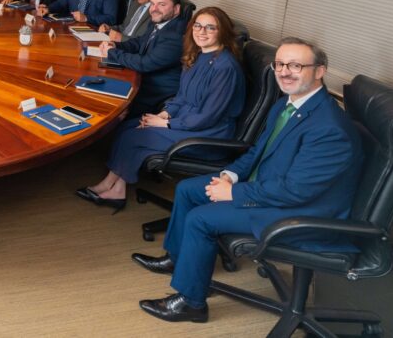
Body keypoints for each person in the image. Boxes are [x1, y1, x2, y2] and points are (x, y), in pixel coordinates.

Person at [132, 39, 362, 324]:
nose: (284, 72)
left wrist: (234, 193)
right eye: (280, 64)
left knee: (201, 219)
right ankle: (180, 261)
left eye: (295, 65)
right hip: (272, 190)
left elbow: (296, 191)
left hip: (301, 214)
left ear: (320, 71)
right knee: (188, 189)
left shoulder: (329, 128)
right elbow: (257, 152)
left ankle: (192, 303)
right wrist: (230, 175)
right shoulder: (286, 104)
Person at [77, 7, 245, 211]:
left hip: (208, 133)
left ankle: (112, 187)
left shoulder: (225, 67)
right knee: (129, 126)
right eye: (198, 26)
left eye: (210, 27)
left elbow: (208, 116)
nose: (202, 32)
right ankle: (115, 187)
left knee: (135, 136)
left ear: (222, 32)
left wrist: (166, 123)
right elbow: (182, 96)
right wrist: (164, 113)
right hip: (186, 120)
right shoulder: (197, 55)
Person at [96, 0, 186, 117]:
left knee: (105, 107)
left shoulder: (176, 35)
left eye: (162, 5)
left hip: (155, 93)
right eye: (152, 4)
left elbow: (144, 64)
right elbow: (139, 42)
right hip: (141, 80)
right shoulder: (158, 21)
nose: (154, 9)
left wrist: (112, 53)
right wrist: (116, 45)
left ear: (176, 9)